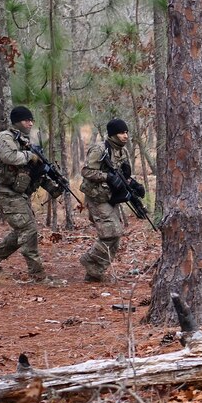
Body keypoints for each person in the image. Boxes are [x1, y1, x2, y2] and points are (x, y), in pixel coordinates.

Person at [0, 106, 63, 281]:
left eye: (32, 120)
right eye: (27, 120)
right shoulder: (5, 138)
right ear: (17, 121)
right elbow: (9, 157)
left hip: (19, 194)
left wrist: (55, 187)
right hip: (6, 192)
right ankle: (38, 275)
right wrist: (30, 156)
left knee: (22, 230)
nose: (30, 123)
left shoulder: (26, 141)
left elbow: (36, 173)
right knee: (28, 230)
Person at [79, 118, 142, 283]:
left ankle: (94, 273)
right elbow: (86, 171)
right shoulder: (100, 149)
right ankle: (89, 260)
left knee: (115, 235)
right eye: (122, 132)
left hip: (110, 198)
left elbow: (124, 175)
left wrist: (134, 185)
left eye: (127, 132)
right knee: (111, 232)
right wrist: (106, 176)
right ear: (113, 134)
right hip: (96, 197)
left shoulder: (123, 151)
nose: (125, 136)